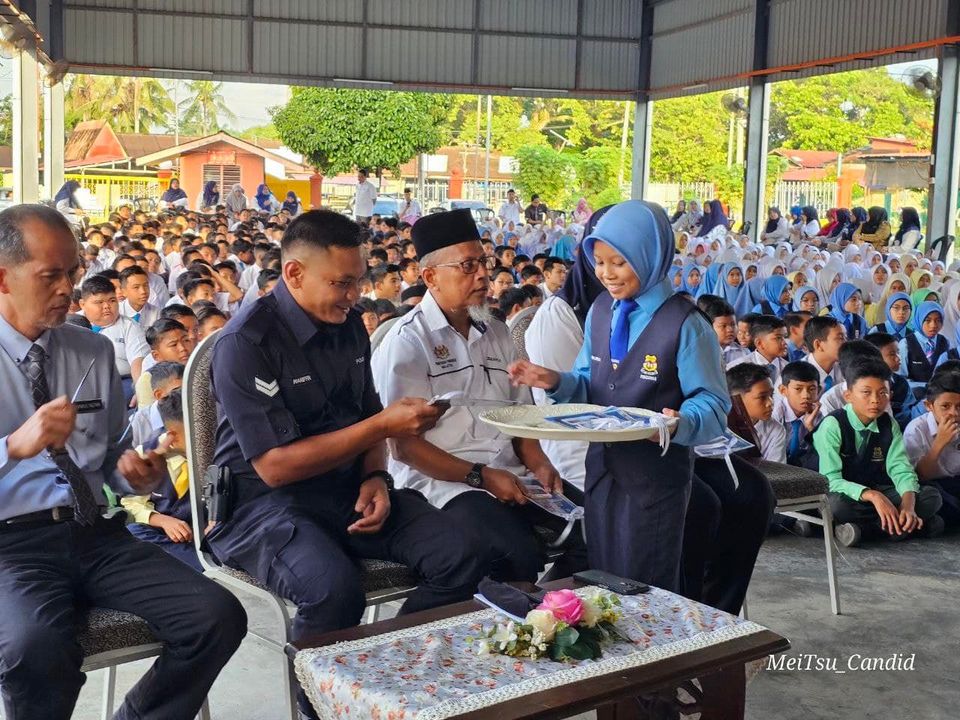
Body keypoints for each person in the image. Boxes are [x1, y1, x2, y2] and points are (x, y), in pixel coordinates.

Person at [206, 210, 487, 716]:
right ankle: (319, 709)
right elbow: (274, 466)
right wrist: (379, 432)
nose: (353, 295)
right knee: (333, 591)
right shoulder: (245, 344)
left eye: (357, 282)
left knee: (463, 553)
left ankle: (389, 679)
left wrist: (376, 473)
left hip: (344, 491)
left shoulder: (348, 326)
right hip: (261, 506)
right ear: (293, 274)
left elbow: (368, 414)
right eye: (341, 283)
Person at [0, 204, 245, 719]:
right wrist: (13, 446)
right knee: (33, 647)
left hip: (96, 534)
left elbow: (107, 454)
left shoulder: (88, 351)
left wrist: (132, 468)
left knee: (216, 615)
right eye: (51, 276)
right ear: (3, 277)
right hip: (11, 548)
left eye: (73, 273)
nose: (69, 289)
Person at [508, 200, 729, 592]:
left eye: (618, 263)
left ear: (650, 255)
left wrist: (680, 423)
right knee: (604, 580)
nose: (606, 274)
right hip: (603, 471)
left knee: (646, 586)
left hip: (655, 479)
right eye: (599, 262)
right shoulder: (601, 311)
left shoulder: (686, 324)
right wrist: (555, 381)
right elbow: (588, 384)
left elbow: (713, 403)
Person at [372, 209, 586, 583]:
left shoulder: (498, 333)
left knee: (602, 526)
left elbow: (521, 414)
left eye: (483, 262)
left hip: (509, 472)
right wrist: (481, 476)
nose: (483, 274)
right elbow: (404, 449)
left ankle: (554, 615)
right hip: (444, 481)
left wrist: (537, 461)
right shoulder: (409, 342)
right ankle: (516, 627)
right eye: (467, 265)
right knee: (513, 552)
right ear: (430, 277)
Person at [813, 357, 943, 547]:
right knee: (836, 506)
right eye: (866, 393)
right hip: (844, 492)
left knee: (930, 497)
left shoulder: (888, 423)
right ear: (848, 395)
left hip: (876, 487)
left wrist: (908, 505)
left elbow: (901, 469)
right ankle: (909, 527)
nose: (875, 400)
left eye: (883, 393)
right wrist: (873, 496)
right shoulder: (833, 425)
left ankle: (861, 530)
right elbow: (829, 480)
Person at [121, 393, 202, 572]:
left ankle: (198, 566)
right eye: (198, 432)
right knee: (135, 532)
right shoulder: (146, 454)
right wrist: (162, 520)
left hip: (210, 533)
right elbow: (131, 503)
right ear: (173, 436)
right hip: (170, 537)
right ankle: (201, 567)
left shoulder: (215, 449)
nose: (205, 436)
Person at [79, 275, 149, 402]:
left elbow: (138, 361)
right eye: (99, 302)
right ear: (83, 304)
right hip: (82, 384)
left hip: (120, 382)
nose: (106, 306)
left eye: (112, 300)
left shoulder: (129, 326)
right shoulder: (73, 323)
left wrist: (140, 391)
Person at [904, 370, 960, 526]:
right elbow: (921, 475)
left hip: (956, 481)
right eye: (945, 406)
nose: (953, 413)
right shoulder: (916, 430)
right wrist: (940, 442)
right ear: (929, 406)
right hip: (932, 483)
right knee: (935, 499)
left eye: (959, 406)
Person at [728, 363, 786, 463]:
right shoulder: (719, 426)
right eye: (762, 397)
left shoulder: (776, 430)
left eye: (771, 395)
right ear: (737, 399)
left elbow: (775, 472)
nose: (770, 403)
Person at [773, 360, 822, 467]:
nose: (806, 395)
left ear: (819, 390)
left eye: (812, 389)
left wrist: (811, 428)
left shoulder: (818, 415)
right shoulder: (774, 414)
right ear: (783, 390)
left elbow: (825, 453)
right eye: (798, 389)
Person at [864, 332, 917, 428]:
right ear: (874, 357)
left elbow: (908, 414)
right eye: (892, 354)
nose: (898, 358)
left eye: (898, 352)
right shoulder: (862, 384)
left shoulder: (901, 383)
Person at [727, 314, 789, 386]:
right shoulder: (736, 369)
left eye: (785, 337)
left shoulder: (789, 369)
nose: (785, 342)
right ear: (759, 343)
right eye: (778, 338)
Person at [899, 300, 948, 385]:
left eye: (938, 320)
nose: (933, 325)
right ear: (919, 320)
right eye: (927, 320)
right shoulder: (905, 344)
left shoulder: (944, 342)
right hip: (914, 395)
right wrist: (924, 386)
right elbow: (901, 378)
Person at [698, 294, 747, 366]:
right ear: (709, 327)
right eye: (723, 326)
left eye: (733, 324)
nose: (730, 329)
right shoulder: (701, 352)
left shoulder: (744, 352)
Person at [802, 316, 845, 394]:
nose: (846, 343)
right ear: (818, 345)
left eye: (845, 337)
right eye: (840, 338)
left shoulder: (847, 369)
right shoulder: (795, 375)